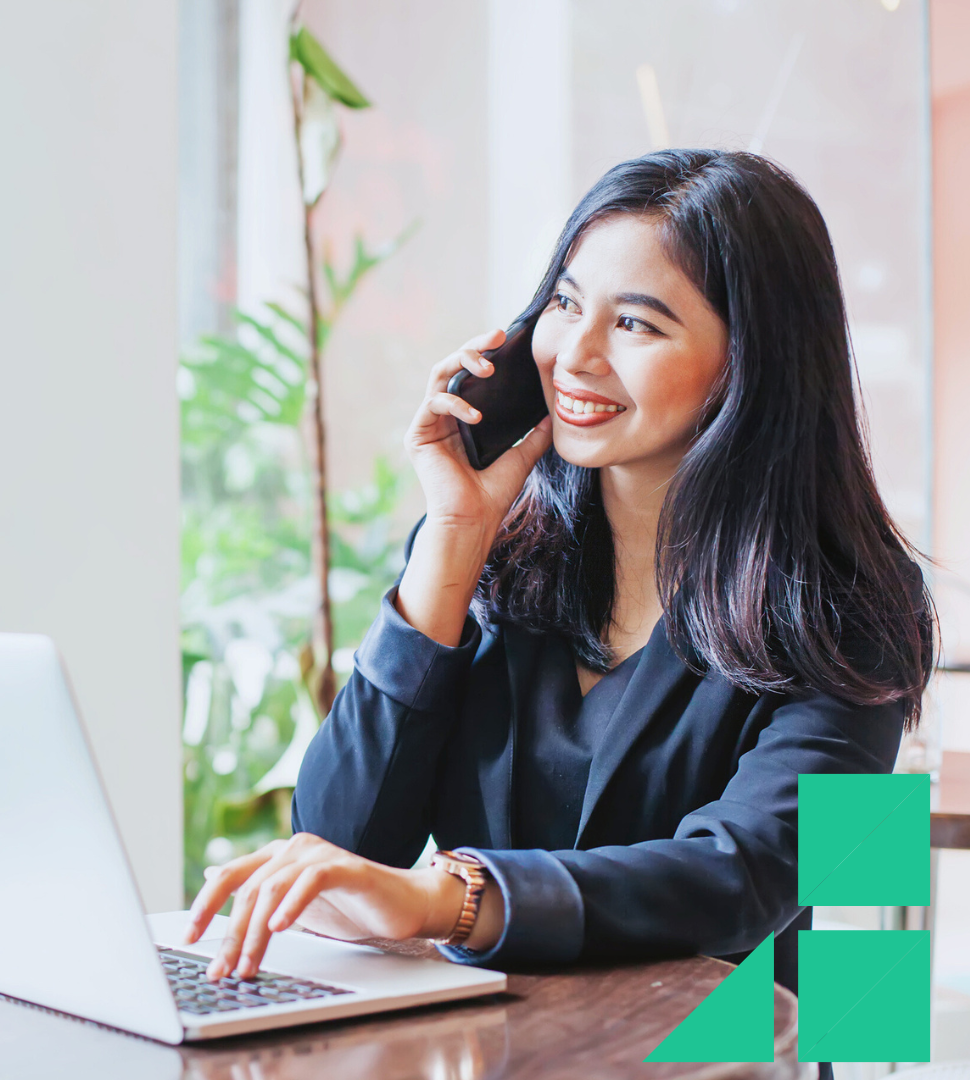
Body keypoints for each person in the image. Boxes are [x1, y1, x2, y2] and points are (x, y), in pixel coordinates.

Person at [184, 150, 933, 1015]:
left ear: (746, 360)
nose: (574, 355)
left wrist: (454, 897)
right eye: (566, 303)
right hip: (479, 1048)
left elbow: (750, 878)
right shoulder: (496, 555)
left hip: (717, 1061)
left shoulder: (851, 603)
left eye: (637, 325)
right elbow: (343, 842)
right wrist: (454, 543)